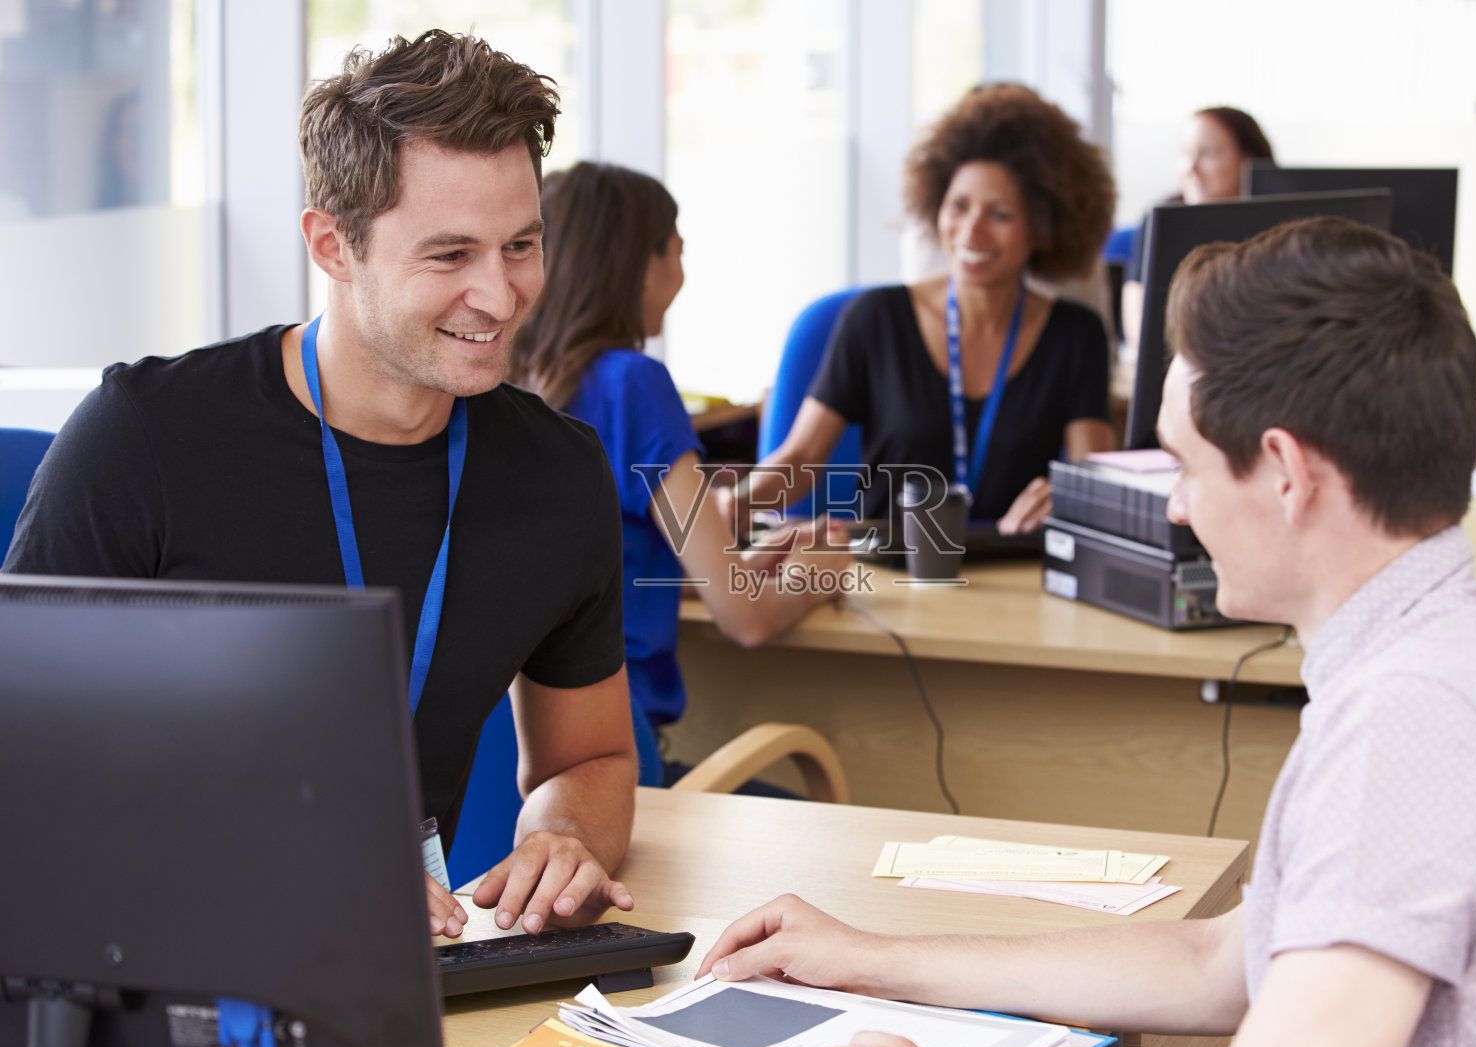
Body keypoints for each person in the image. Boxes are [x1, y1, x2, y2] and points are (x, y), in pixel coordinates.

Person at [696, 217, 1476, 1047]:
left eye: (1186, 464)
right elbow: (1220, 963)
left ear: (1286, 474)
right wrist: (871, 958)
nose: (1174, 506)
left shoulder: (1415, 722)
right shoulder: (1468, 648)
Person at [3, 31, 639, 943]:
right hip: (148, 951)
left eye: (521, 245)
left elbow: (595, 756)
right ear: (333, 246)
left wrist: (566, 835)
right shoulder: (143, 437)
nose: (500, 297)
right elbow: (26, 767)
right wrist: (279, 866)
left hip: (401, 967)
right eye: (450, 255)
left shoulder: (559, 474)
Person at [508, 162, 852, 786]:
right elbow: (746, 619)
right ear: (642, 263)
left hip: (517, 784)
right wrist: (817, 570)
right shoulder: (633, 385)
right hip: (612, 769)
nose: (682, 276)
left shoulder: (505, 381)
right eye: (678, 252)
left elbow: (590, 578)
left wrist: (731, 566)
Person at [733, 83, 1117, 536]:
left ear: (1043, 228)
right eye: (959, 206)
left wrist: (1070, 497)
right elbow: (801, 458)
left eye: (1000, 214)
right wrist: (732, 504)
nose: (971, 230)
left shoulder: (1076, 336)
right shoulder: (875, 319)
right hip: (887, 565)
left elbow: (1095, 480)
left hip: (1013, 565)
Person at [1123, 106, 1274, 351]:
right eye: (1185, 153)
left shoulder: (1277, 230)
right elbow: (1138, 330)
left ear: (1249, 160)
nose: (1190, 168)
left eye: (1208, 153)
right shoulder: (1158, 221)